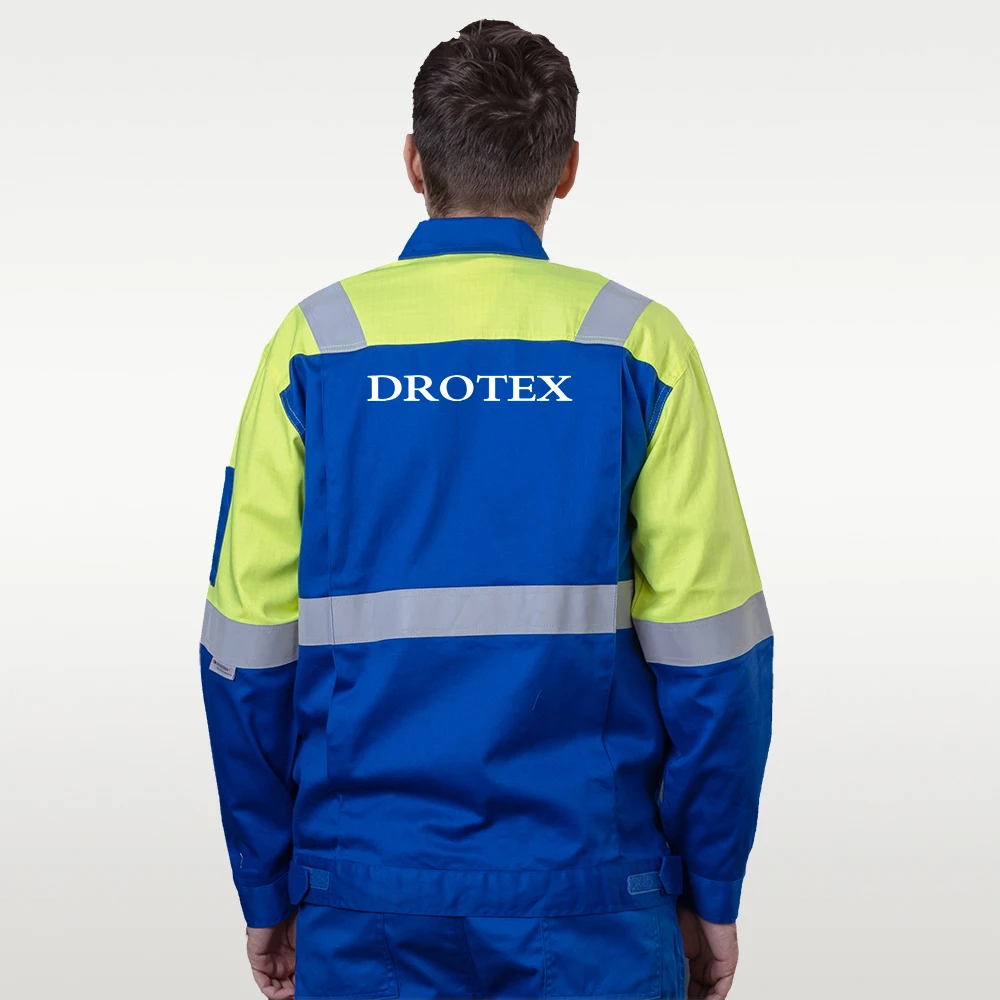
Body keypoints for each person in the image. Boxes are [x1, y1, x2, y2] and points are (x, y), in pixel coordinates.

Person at [199, 19, 773, 1000]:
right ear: (568, 169)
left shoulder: (316, 348)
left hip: (366, 895)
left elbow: (245, 655)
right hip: (592, 896)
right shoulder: (636, 346)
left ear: (414, 162)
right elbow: (716, 660)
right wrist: (710, 883)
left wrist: (267, 883)